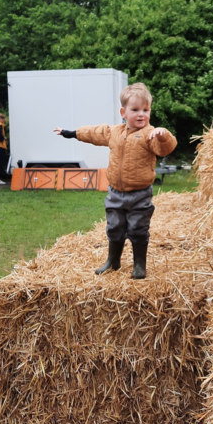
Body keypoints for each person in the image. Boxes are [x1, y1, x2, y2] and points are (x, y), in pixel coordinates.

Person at [54, 82, 177, 279]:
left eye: (145, 110)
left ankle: (139, 265)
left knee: (138, 228)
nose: (141, 114)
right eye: (135, 110)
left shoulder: (150, 134)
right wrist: (71, 133)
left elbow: (165, 149)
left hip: (140, 194)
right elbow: (94, 133)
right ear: (123, 112)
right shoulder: (114, 132)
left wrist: (163, 136)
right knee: (114, 227)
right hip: (115, 193)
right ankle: (113, 262)